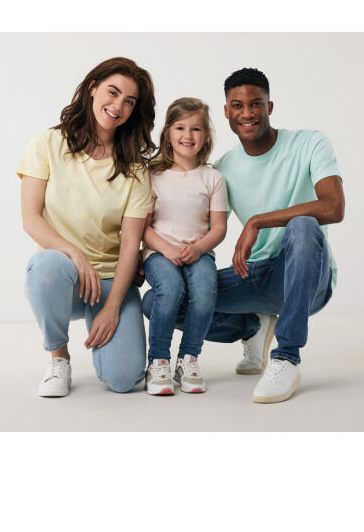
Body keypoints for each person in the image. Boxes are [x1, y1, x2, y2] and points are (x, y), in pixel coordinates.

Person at [142, 68, 345, 403]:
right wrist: (150, 253)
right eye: (237, 105)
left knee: (303, 224)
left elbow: (334, 207)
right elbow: (193, 216)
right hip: (256, 277)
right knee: (158, 301)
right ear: (226, 112)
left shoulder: (310, 142)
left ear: (270, 106)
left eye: (256, 104)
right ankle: (252, 327)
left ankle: (287, 357)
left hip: (309, 279)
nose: (247, 113)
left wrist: (257, 222)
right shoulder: (222, 170)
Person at [17, 57, 155, 397]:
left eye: (129, 101)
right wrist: (75, 254)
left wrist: (112, 307)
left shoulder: (135, 169)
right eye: (113, 92)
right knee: (47, 264)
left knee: (124, 380)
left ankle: (107, 333)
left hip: (111, 282)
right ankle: (59, 358)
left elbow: (130, 245)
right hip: (64, 279)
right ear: (92, 88)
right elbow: (30, 218)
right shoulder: (47, 144)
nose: (118, 106)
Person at [142, 98, 229, 396]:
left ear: (206, 136)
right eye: (180, 128)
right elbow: (143, 228)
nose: (188, 135)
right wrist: (166, 249)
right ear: (168, 133)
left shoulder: (213, 178)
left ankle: (188, 359)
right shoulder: (152, 176)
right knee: (171, 288)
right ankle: (158, 362)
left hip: (199, 252)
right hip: (159, 253)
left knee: (205, 291)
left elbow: (219, 228)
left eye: (196, 129)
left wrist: (199, 248)